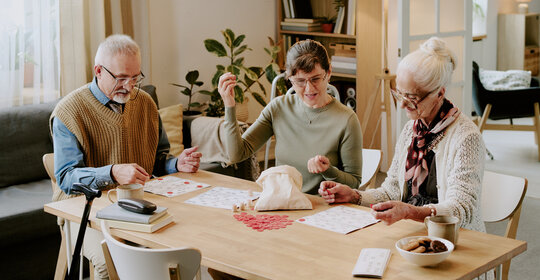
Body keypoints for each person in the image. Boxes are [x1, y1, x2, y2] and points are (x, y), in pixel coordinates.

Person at [51, 34, 201, 279]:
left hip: (137, 206)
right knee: (112, 263)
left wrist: (177, 163)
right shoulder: (69, 111)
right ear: (98, 71)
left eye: (135, 78)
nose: (129, 86)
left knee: (187, 245)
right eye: (121, 78)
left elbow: (157, 160)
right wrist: (111, 172)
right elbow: (67, 179)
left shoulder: (145, 103)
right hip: (83, 212)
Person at [319, 37, 487, 232]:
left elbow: (461, 209)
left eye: (412, 98)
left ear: (440, 93)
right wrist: (354, 196)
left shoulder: (466, 138)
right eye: (399, 94)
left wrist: (410, 212)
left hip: (455, 238)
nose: (402, 104)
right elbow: (392, 191)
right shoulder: (412, 130)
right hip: (411, 231)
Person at [218, 39, 362, 195]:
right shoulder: (278, 108)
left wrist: (328, 170)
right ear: (290, 79)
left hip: (323, 207)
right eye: (300, 81)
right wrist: (229, 106)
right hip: (282, 202)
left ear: (328, 73)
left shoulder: (347, 119)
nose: (309, 88)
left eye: (315, 79)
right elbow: (237, 154)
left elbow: (354, 182)